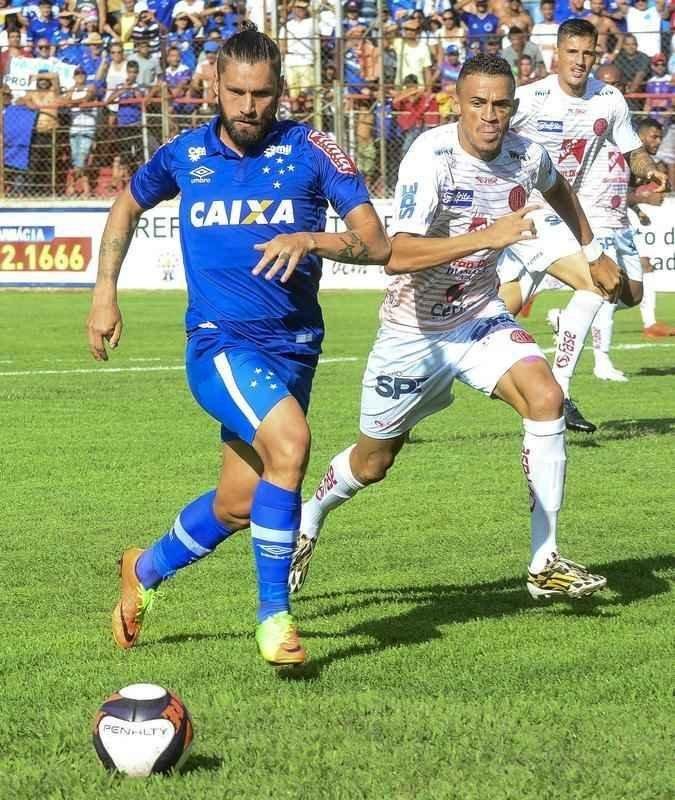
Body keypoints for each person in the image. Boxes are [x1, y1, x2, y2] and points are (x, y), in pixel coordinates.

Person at [86, 25, 390, 667]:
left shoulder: (313, 150)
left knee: (238, 502)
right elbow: (124, 206)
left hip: (295, 348)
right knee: (293, 445)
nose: (249, 107)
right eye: (236, 92)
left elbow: (377, 243)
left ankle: (142, 568)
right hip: (219, 344)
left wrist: (312, 240)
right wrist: (104, 294)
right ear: (214, 86)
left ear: (281, 89)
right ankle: (274, 620)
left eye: (261, 94)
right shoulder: (183, 154)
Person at [289, 53, 610, 603]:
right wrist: (489, 236)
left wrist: (594, 248)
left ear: (514, 105)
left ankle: (544, 561)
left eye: (502, 104)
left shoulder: (525, 153)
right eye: (479, 103)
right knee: (374, 460)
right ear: (457, 104)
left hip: (478, 316)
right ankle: (309, 516)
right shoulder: (430, 157)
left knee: (546, 395)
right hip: (413, 334)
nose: (491, 115)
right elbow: (397, 254)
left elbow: (558, 187)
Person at [495, 18, 667, 432]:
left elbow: (632, 151)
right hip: (520, 215)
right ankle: (561, 392)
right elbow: (484, 133)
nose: (580, 61)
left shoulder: (608, 100)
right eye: (572, 52)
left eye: (587, 53)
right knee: (592, 284)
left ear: (596, 55)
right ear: (557, 53)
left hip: (558, 216)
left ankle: (561, 392)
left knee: (586, 287)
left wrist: (648, 168)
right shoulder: (531, 98)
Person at [629, 117, 675, 338]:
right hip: (600, 219)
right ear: (640, 137)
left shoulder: (645, 163)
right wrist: (644, 200)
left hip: (619, 218)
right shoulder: (627, 157)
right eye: (653, 137)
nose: (658, 142)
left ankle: (650, 324)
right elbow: (611, 193)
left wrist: (638, 210)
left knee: (644, 267)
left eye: (660, 137)